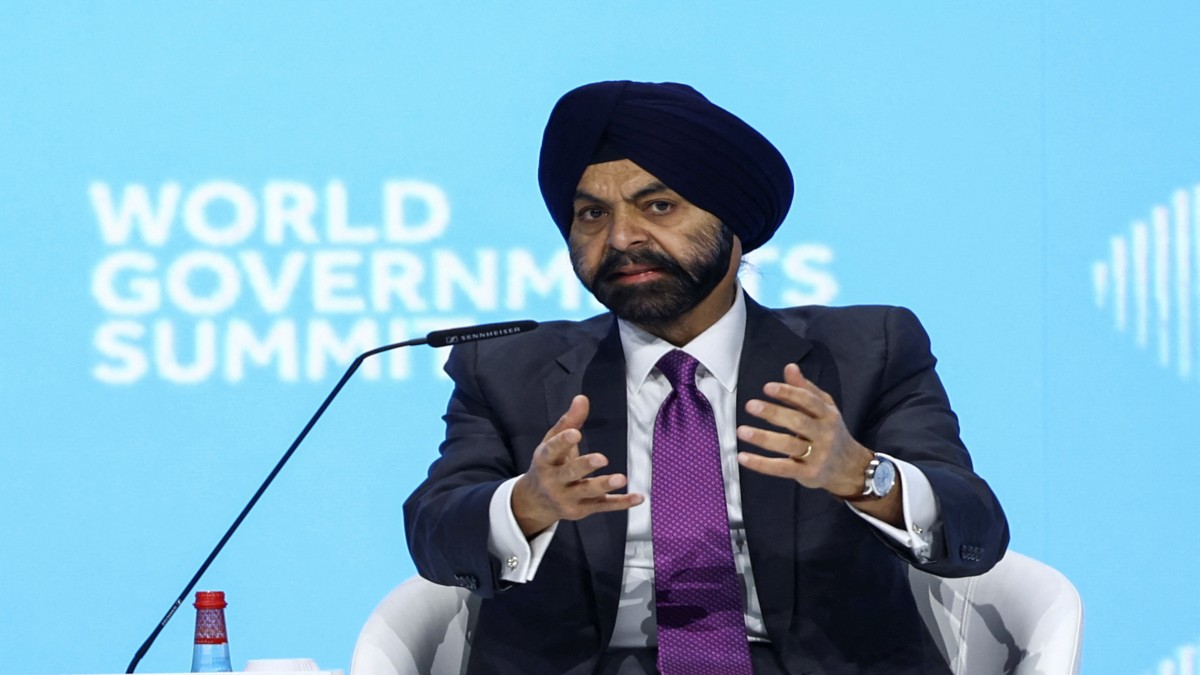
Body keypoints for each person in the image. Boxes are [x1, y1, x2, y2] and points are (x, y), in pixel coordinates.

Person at [404, 80, 1009, 675]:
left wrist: (862, 476)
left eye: (658, 206)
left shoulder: (868, 350)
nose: (621, 238)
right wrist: (527, 505)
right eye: (591, 213)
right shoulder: (510, 369)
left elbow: (974, 526)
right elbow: (436, 532)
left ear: (733, 219)